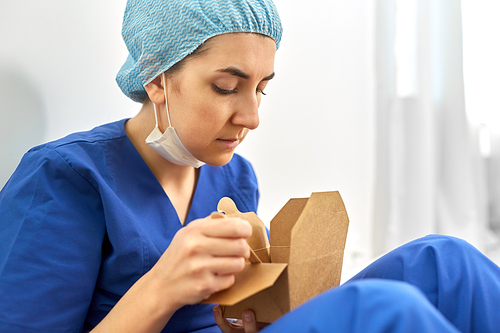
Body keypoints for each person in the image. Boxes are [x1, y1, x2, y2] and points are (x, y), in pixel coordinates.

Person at [0, 0, 499, 332]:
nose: (252, 117)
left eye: (262, 88)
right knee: (388, 312)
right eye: (226, 87)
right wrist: (162, 287)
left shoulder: (235, 178)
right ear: (155, 78)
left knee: (446, 262)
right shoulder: (62, 180)